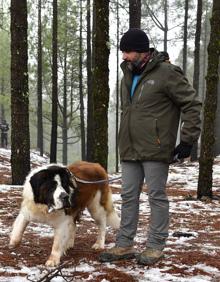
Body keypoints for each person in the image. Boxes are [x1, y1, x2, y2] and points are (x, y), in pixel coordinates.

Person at [99, 28, 202, 265]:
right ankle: (124, 244)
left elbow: (192, 104)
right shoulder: (128, 73)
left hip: (155, 148)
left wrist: (187, 140)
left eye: (128, 51)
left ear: (142, 51)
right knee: (128, 196)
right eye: (123, 51)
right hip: (129, 147)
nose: (123, 56)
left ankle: (155, 246)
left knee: (156, 196)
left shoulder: (167, 73)